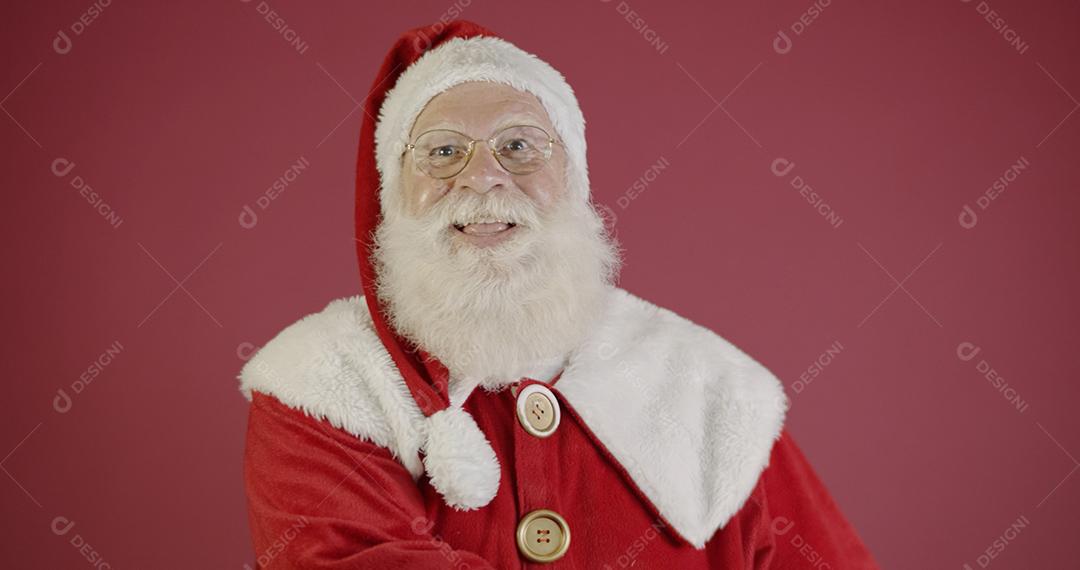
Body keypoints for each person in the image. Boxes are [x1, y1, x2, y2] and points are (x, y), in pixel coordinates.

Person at [239, 19, 878, 569]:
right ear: (391, 194)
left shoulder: (709, 387)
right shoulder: (323, 385)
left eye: (519, 146)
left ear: (574, 180)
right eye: (442, 152)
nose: (484, 177)